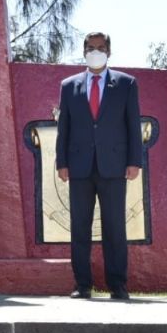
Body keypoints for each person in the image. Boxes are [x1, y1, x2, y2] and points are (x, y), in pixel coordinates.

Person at [55, 32, 141, 300]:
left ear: (109, 52)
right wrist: (62, 162)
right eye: (91, 48)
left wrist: (134, 161)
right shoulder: (69, 86)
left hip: (113, 166)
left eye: (101, 48)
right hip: (79, 166)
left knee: (115, 227)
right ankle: (82, 285)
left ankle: (118, 285)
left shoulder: (126, 84)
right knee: (80, 227)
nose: (96, 52)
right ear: (83, 51)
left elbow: (132, 126)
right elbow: (64, 128)